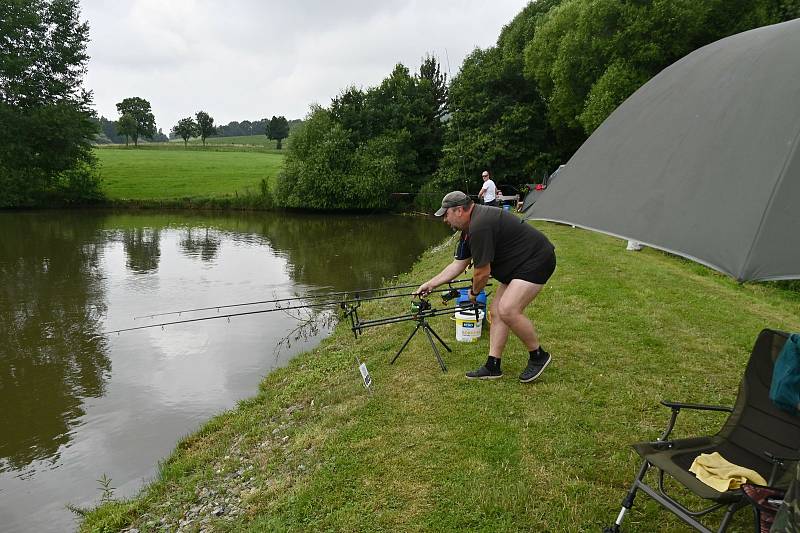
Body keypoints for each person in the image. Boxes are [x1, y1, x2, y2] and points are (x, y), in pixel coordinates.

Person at [416, 191, 557, 382]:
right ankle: (493, 366)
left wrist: (474, 293)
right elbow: (459, 264)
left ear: (458, 211)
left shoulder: (479, 226)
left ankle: (538, 356)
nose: (445, 220)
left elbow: (481, 273)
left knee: (507, 309)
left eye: (446, 214)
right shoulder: (468, 229)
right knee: (497, 312)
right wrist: (430, 284)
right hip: (517, 265)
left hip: (536, 259)